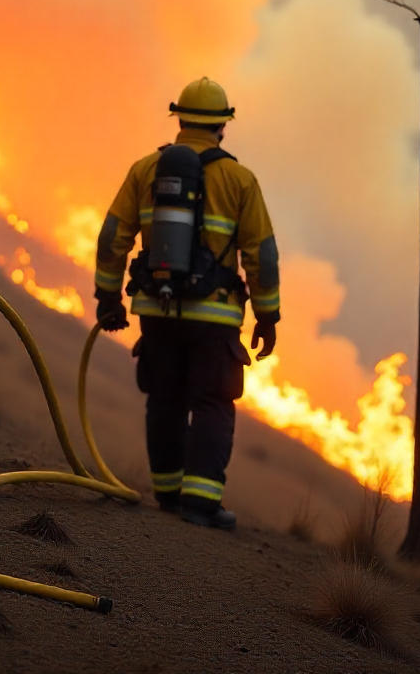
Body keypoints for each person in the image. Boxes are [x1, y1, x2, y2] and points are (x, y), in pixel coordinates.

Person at [93, 78, 280, 530]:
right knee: (213, 401)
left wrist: (107, 298)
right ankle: (200, 504)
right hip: (213, 317)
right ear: (223, 127)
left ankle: (168, 494)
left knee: (165, 399)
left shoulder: (145, 170)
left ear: (179, 120)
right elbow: (262, 253)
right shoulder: (240, 180)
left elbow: (112, 236)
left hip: (156, 308)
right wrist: (268, 315)